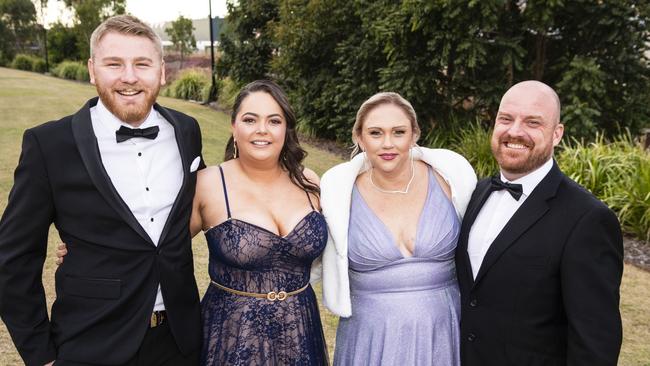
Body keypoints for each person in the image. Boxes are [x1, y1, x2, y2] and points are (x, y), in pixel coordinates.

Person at [0, 15, 204, 366]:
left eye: (142, 63)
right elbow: (13, 261)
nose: (129, 76)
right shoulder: (49, 144)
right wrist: (41, 355)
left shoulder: (186, 131)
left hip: (179, 343)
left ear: (162, 71)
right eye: (114, 64)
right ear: (93, 70)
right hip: (91, 343)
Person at [455, 80, 623, 365]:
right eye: (506, 119)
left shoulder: (589, 220)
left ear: (557, 134)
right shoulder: (476, 192)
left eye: (533, 122)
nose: (515, 131)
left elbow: (595, 343)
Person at [320, 92, 477, 365]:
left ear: (414, 135)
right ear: (359, 137)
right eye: (376, 133)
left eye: (399, 132)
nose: (387, 144)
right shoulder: (337, 192)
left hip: (443, 332)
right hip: (369, 337)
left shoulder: (453, 178)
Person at [190, 80, 328, 365]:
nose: (262, 130)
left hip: (300, 332)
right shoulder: (208, 184)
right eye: (250, 119)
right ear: (234, 127)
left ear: (285, 129)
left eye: (273, 121)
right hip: (233, 338)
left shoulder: (310, 182)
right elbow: (160, 251)